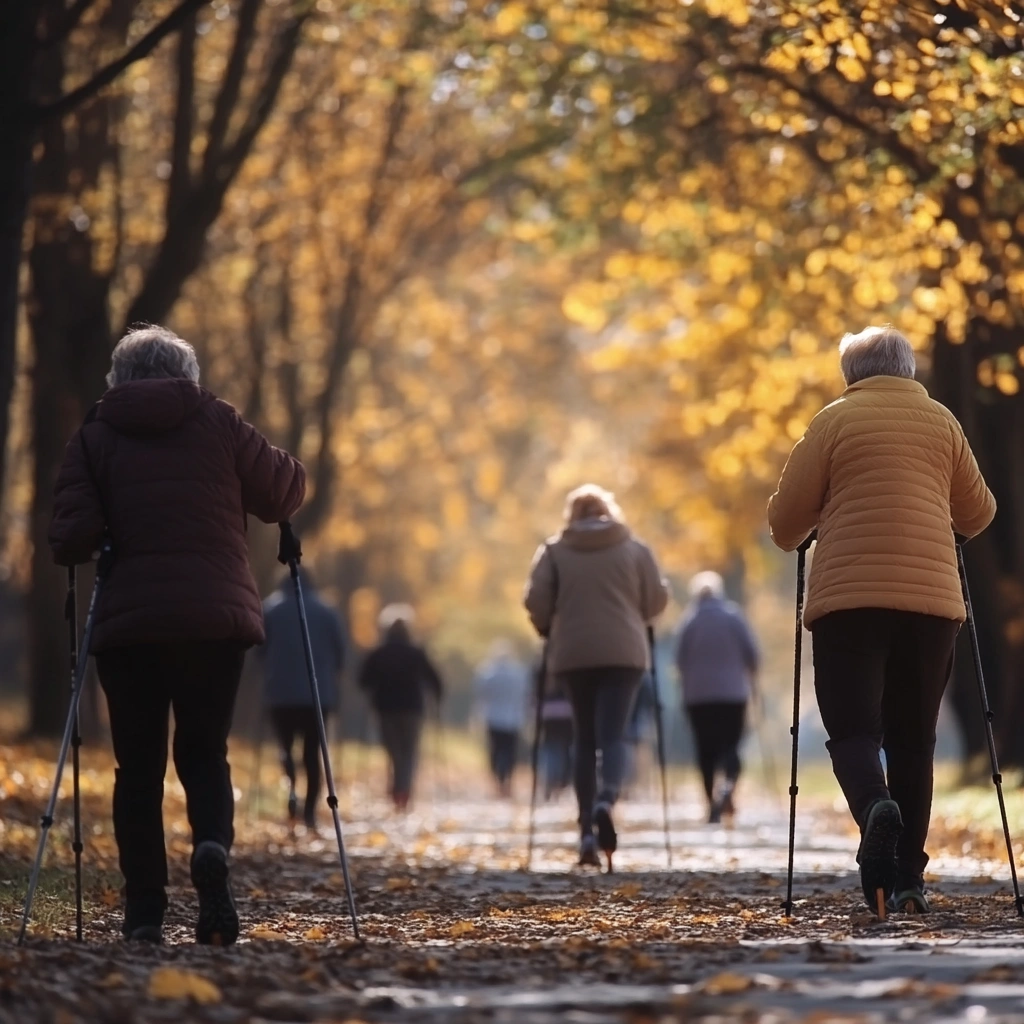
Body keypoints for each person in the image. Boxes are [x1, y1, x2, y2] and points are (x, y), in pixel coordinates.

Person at [49, 325, 305, 946]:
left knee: (137, 768)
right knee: (203, 751)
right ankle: (211, 847)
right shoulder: (218, 420)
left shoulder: (95, 436)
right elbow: (282, 492)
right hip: (213, 620)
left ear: (118, 377)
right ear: (186, 373)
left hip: (131, 624)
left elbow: (69, 538)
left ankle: (143, 915)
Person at [768, 325, 996, 914]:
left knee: (852, 730)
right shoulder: (944, 423)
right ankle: (908, 881)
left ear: (852, 374)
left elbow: (786, 522)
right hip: (930, 606)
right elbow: (979, 510)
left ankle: (874, 808)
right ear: (909, 369)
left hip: (849, 603)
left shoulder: (831, 421)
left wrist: (808, 523)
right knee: (914, 741)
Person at [525, 483, 669, 870]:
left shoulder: (554, 552)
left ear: (572, 515)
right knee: (614, 735)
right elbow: (656, 599)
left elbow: (535, 601)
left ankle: (586, 830)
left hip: (573, 655)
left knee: (584, 740)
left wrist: (546, 628)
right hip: (625, 654)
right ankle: (607, 799)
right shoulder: (635, 549)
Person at [260, 569, 346, 828]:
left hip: (280, 694)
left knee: (285, 747)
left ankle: (292, 790)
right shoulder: (327, 610)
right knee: (312, 753)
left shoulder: (270, 609)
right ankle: (309, 811)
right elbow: (340, 652)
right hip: (317, 695)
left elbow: (258, 649)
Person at [674, 571, 760, 824]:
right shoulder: (734, 617)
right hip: (733, 694)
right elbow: (752, 654)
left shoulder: (689, 621)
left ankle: (711, 802)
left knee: (705, 750)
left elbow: (679, 661)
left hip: (699, 697)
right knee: (731, 745)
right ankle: (728, 787)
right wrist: (751, 675)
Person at [358, 605, 443, 810]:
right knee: (410, 751)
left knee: (394, 751)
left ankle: (397, 787)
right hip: (412, 709)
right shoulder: (416, 652)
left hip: (385, 708)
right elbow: (435, 680)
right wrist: (437, 696)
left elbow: (363, 681)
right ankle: (403, 789)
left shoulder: (379, 653)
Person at [474, 640, 530, 797]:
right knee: (510, 751)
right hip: (513, 718)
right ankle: (507, 781)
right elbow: (524, 695)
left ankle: (498, 780)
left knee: (495, 751)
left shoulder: (487, 673)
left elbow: (481, 694)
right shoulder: (519, 673)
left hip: (493, 717)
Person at [539, 670, 574, 800]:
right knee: (566, 751)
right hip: (569, 712)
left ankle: (550, 781)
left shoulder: (544, 664)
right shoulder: (571, 660)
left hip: (548, 713)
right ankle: (561, 783)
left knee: (551, 748)